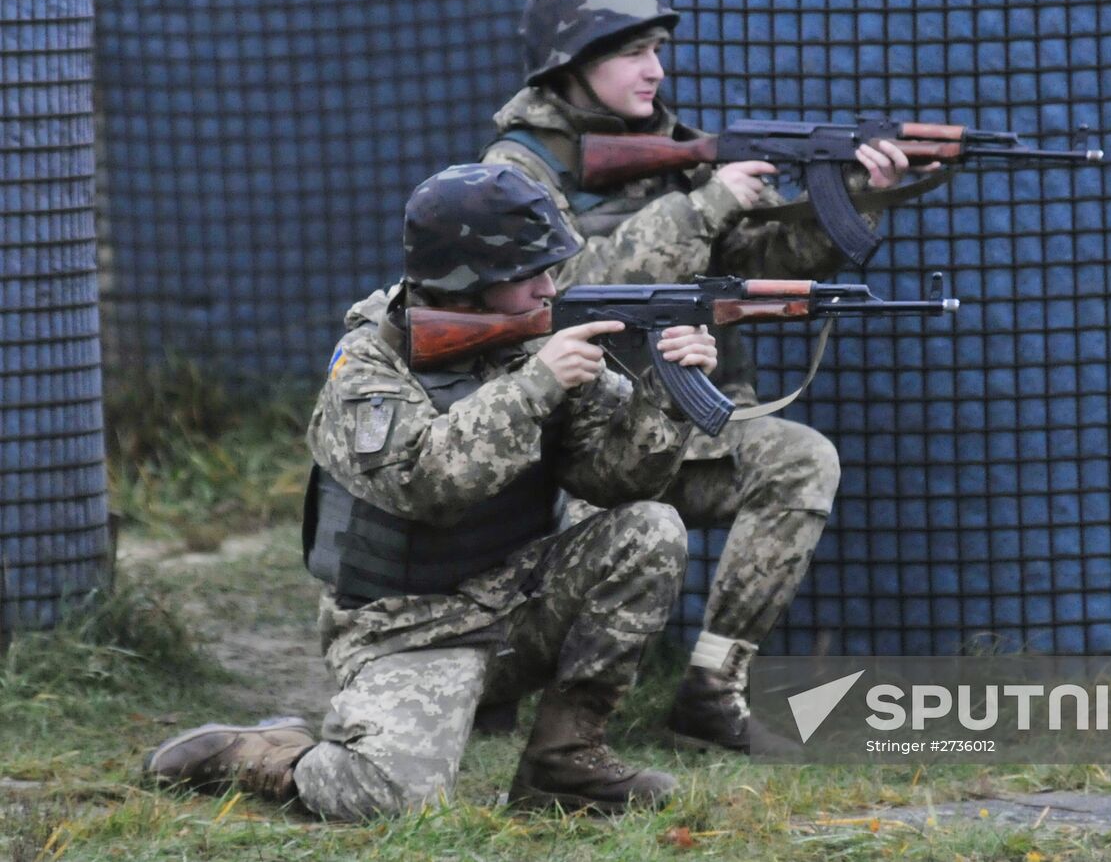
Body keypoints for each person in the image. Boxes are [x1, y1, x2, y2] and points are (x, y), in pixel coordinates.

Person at [143, 164, 719, 818]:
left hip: (519, 600)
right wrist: (537, 386)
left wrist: (666, 398)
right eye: (530, 273)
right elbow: (427, 484)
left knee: (650, 528)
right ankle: (266, 753)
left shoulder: (535, 341)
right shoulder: (367, 365)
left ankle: (566, 761)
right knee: (388, 798)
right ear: (468, 280)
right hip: (409, 626)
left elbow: (616, 481)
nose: (550, 287)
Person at [479, 0, 944, 752]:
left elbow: (762, 260)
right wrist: (707, 203)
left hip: (680, 426)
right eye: (631, 53)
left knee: (801, 461)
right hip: (572, 446)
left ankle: (711, 689)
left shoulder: (678, 148)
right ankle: (511, 690)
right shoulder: (516, 170)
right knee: (601, 541)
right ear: (571, 63)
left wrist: (857, 195)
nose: (655, 70)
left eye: (657, 50)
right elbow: (565, 291)